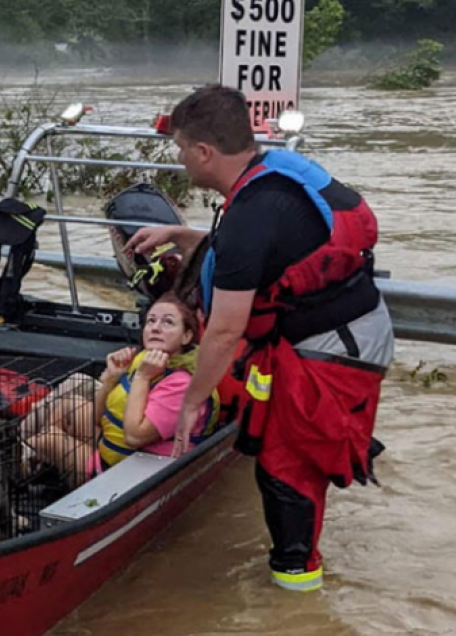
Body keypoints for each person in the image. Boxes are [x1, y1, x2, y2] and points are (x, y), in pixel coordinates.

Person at [125, 85, 394, 592]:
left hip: (336, 343)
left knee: (287, 468)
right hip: (332, 328)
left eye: (181, 148)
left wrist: (190, 401)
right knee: (280, 445)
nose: (180, 159)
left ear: (205, 152)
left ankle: (297, 590)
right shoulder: (265, 180)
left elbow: (225, 331)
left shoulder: (252, 211)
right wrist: (185, 238)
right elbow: (271, 248)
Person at [23, 293, 219, 487]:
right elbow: (98, 418)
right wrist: (111, 378)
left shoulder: (181, 385)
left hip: (134, 470)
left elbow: (134, 437)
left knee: (46, 439)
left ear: (186, 336)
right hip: (117, 448)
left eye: (168, 322)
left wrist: (142, 377)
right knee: (68, 406)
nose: (156, 328)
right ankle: (48, 472)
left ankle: (24, 482)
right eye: (150, 321)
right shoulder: (145, 358)